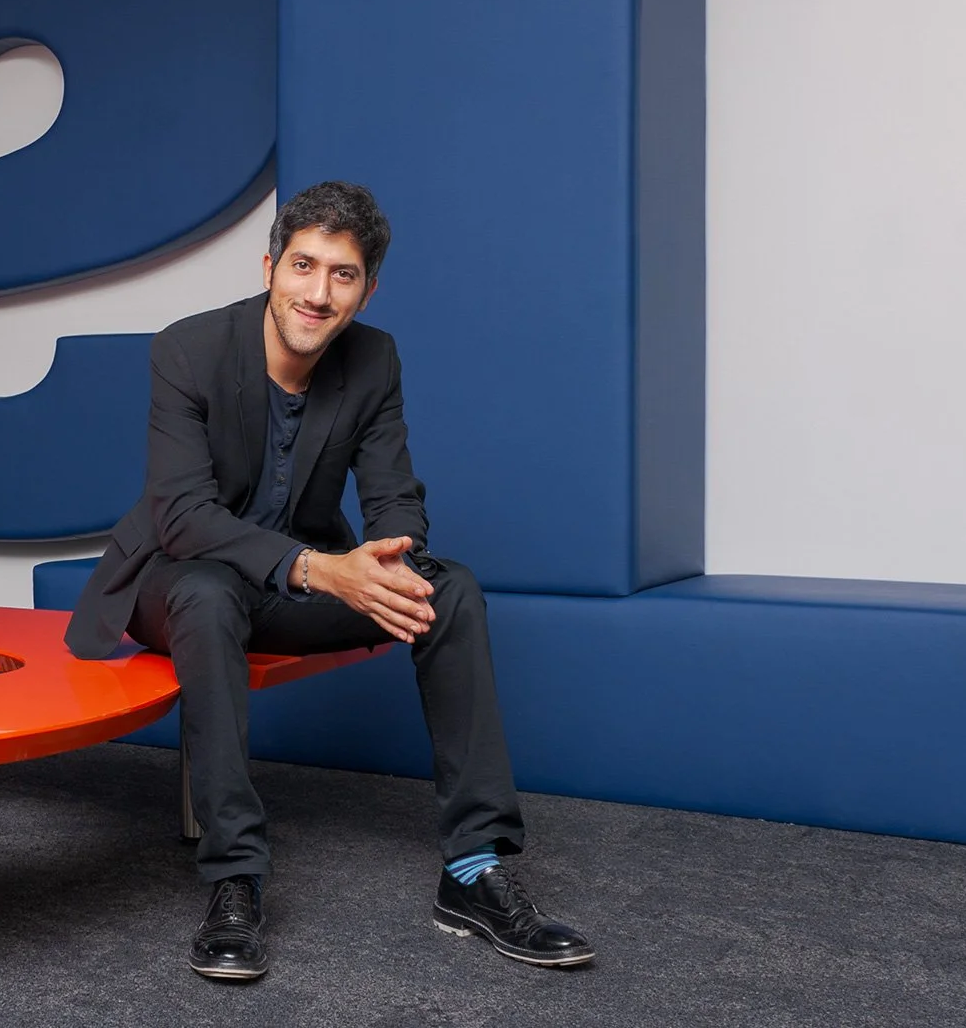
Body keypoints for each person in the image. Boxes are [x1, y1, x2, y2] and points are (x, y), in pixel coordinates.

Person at [63, 181, 593, 980]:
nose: (318, 293)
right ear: (270, 264)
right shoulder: (187, 349)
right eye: (303, 265)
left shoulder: (373, 358)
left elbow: (392, 491)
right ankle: (234, 875)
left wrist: (394, 557)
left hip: (295, 584)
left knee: (449, 588)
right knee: (207, 591)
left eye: (342, 275)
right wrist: (319, 569)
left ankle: (474, 868)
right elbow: (182, 516)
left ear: (367, 288)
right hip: (172, 581)